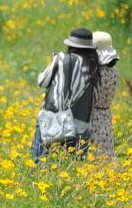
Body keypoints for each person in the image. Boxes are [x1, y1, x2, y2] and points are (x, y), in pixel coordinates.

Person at [32, 27, 98, 163]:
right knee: (74, 170)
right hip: (81, 126)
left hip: (53, 120)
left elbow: (42, 82)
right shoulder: (94, 66)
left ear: (70, 44)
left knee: (41, 165)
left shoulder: (61, 58)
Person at [90, 31, 119, 158]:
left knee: (93, 155)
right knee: (106, 153)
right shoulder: (114, 71)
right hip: (106, 115)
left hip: (93, 116)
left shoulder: (96, 72)